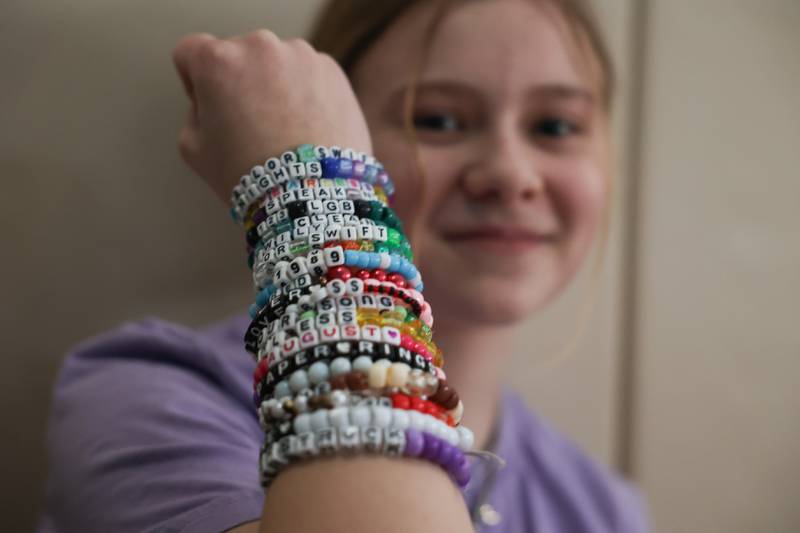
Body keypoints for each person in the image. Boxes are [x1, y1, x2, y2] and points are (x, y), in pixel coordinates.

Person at [36, 0, 652, 531]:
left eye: (554, 125)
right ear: (339, 130)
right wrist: (310, 186)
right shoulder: (147, 400)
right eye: (437, 119)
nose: (512, 175)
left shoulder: (602, 509)